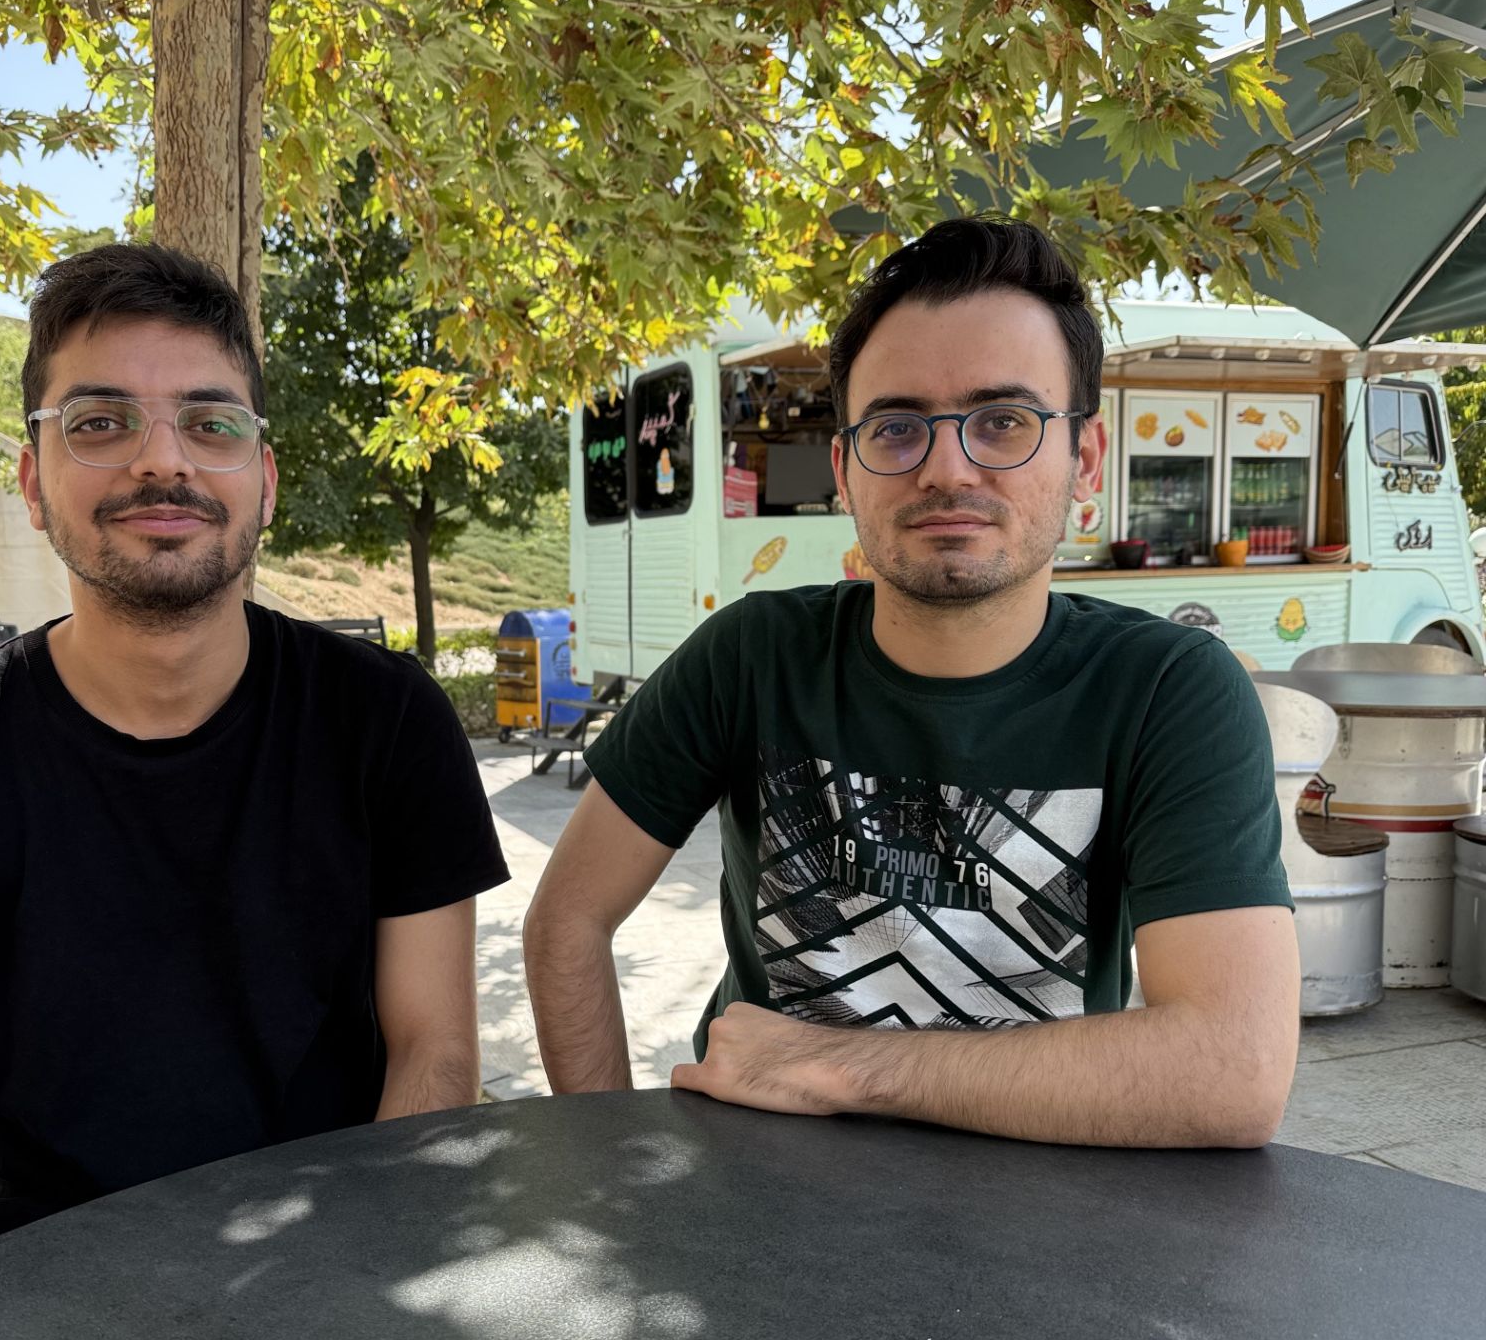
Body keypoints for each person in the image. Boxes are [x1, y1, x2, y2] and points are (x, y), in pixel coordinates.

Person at [0, 244, 509, 1282]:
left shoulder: (386, 722)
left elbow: (432, 1050)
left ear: (263, 480)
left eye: (211, 425)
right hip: (42, 1299)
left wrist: (357, 1314)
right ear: (34, 481)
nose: (161, 462)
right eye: (101, 422)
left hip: (342, 1271)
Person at [524, 217, 1298, 1147]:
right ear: (846, 469)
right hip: (754, 1209)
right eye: (896, 429)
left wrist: (846, 1069)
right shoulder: (751, 656)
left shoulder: (1169, 691)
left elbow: (1233, 1070)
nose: (946, 467)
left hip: (1046, 1208)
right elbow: (566, 921)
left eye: (1003, 421)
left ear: (1083, 459)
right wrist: (612, 1168)